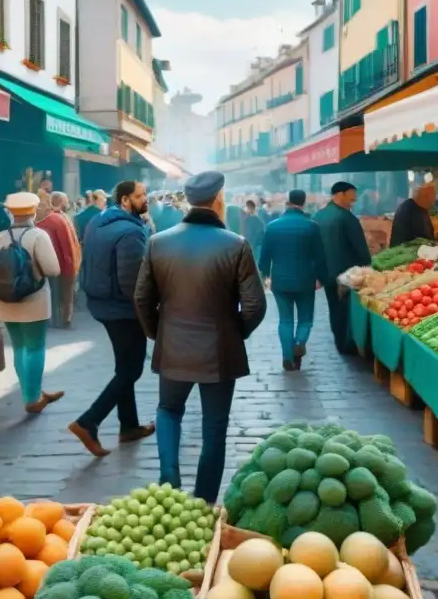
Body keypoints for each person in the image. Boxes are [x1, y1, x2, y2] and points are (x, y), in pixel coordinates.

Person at [134, 171, 267, 503]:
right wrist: (235, 333)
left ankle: (169, 480)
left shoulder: (158, 242)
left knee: (168, 409)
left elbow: (142, 299)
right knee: (214, 427)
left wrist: (158, 333)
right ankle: (205, 500)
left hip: (174, 345)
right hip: (220, 349)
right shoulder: (236, 244)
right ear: (219, 198)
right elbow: (255, 305)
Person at [71, 180, 154, 456]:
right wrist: (149, 313)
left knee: (124, 366)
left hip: (101, 303)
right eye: (141, 196)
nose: (146, 199)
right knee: (132, 369)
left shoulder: (97, 222)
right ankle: (89, 421)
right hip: (123, 309)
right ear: (126, 200)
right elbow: (133, 282)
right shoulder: (130, 232)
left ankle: (128, 426)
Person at [0, 191, 64, 413]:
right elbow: (53, 269)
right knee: (35, 347)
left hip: (6, 302)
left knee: (19, 347)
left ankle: (30, 392)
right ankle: (33, 397)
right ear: (33, 212)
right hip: (34, 301)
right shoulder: (38, 236)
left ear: (11, 213)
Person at [259, 189, 329, 371]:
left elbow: (264, 256)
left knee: (285, 320)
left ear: (289, 201)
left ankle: (288, 358)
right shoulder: (311, 226)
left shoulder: (273, 226)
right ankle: (299, 343)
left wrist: (266, 275)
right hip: (306, 280)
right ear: (304, 202)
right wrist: (321, 278)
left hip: (280, 281)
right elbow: (320, 256)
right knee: (306, 319)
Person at [314, 181, 372, 355]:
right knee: (346, 310)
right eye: (351, 196)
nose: (353, 200)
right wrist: (367, 265)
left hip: (325, 271)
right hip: (347, 275)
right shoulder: (346, 217)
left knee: (334, 308)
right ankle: (346, 344)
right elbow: (360, 248)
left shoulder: (319, 215)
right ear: (340, 194)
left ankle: (339, 341)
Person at [37, 192, 80, 328]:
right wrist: (71, 264)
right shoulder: (60, 219)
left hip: (48, 264)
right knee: (65, 294)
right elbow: (67, 244)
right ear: (61, 201)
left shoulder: (48, 220)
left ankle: (53, 319)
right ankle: (64, 320)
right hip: (62, 263)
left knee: (53, 293)